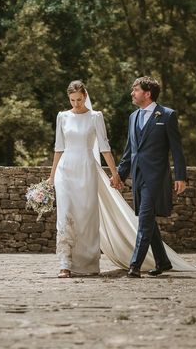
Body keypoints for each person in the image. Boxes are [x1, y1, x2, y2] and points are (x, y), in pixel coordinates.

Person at [114, 76, 187, 278]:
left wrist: (181, 176)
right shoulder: (133, 117)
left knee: (145, 220)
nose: (132, 93)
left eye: (135, 90)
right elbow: (129, 152)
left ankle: (135, 266)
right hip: (137, 178)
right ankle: (163, 261)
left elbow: (177, 150)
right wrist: (118, 175)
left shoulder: (167, 115)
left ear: (147, 93)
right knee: (148, 221)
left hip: (156, 178)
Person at [48, 80, 122, 278]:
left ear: (85, 97)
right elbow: (58, 147)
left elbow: (104, 147)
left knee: (87, 216)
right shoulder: (62, 117)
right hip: (65, 171)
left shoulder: (95, 117)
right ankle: (65, 264)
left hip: (87, 169)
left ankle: (89, 263)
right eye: (72, 100)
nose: (76, 104)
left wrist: (114, 173)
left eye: (79, 100)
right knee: (65, 215)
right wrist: (52, 176)